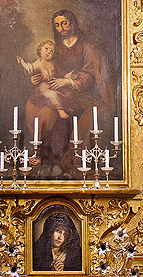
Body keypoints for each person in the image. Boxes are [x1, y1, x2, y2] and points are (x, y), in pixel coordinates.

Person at [25, 9, 115, 177]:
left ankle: (69, 161)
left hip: (83, 94)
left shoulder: (87, 46)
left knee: (66, 113)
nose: (61, 28)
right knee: (42, 110)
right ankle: (48, 159)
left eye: (64, 23)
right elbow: (50, 69)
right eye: (57, 25)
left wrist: (68, 82)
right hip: (60, 92)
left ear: (72, 24)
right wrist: (36, 79)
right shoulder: (56, 47)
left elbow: (90, 75)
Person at [17, 39, 76, 119]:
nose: (49, 52)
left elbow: (59, 72)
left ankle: (65, 106)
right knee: (52, 94)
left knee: (67, 91)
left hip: (52, 83)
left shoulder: (53, 63)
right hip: (43, 87)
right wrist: (23, 63)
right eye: (46, 49)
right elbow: (30, 68)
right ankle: (60, 110)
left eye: (52, 51)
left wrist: (66, 76)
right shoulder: (37, 64)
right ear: (40, 50)